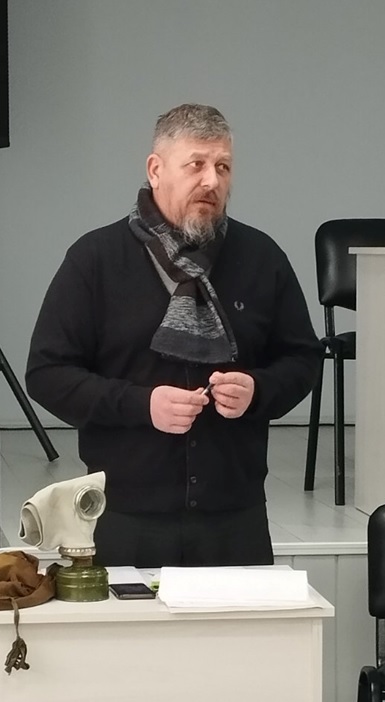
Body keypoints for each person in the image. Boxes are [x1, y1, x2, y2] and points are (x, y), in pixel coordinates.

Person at [26, 103, 322, 567]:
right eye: (196, 164)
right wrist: (141, 404)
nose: (212, 180)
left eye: (223, 167)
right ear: (155, 170)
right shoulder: (96, 259)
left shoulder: (261, 257)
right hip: (124, 515)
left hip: (235, 517)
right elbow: (47, 374)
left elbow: (303, 359)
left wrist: (258, 390)